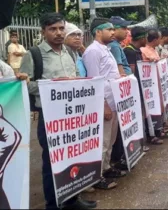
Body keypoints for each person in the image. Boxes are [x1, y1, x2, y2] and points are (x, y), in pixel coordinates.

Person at [20, 13, 97, 209]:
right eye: (53, 29)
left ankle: (72, 199)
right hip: (50, 117)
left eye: (61, 28)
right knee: (51, 161)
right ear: (43, 31)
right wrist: (54, 85)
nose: (59, 33)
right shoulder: (34, 54)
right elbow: (26, 85)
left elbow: (79, 77)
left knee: (73, 156)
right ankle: (53, 204)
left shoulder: (71, 52)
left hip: (72, 115)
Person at [83, 18, 126, 190]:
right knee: (103, 140)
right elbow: (95, 80)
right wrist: (103, 105)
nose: (113, 32)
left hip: (114, 99)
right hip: (105, 101)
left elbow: (109, 74)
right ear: (98, 32)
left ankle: (106, 168)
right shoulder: (93, 51)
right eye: (109, 29)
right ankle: (97, 175)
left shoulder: (106, 49)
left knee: (111, 138)